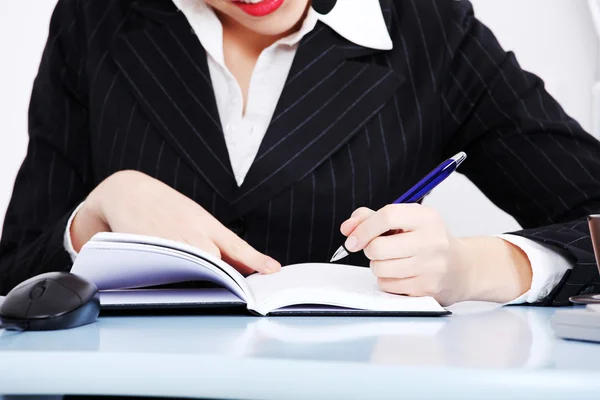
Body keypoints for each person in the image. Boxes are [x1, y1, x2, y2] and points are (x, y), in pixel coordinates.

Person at [1, 0, 599, 307]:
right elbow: (14, 273)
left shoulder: (428, 28)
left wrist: (476, 268)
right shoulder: (96, 19)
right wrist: (95, 214)